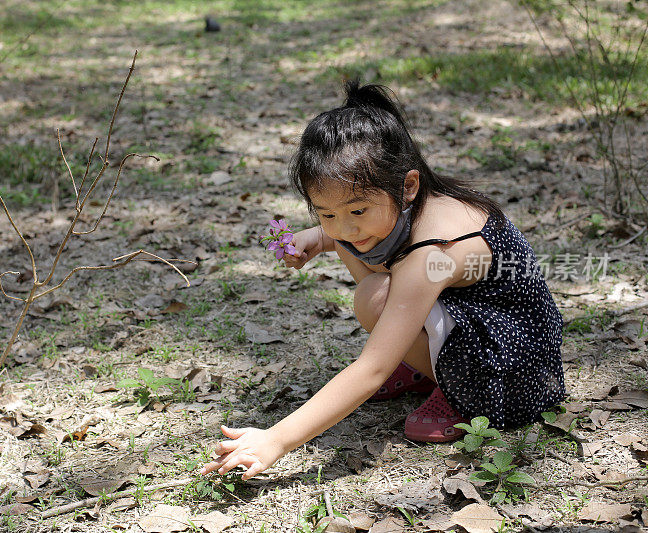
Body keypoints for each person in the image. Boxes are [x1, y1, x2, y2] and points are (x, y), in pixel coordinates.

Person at [200, 80, 565, 480]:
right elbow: (347, 229)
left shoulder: (433, 250)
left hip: (514, 372)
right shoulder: (410, 208)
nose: (344, 226)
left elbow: (371, 369)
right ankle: (428, 364)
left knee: (374, 297)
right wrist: (319, 238)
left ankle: (461, 393)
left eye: (357, 210)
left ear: (407, 186)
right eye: (325, 213)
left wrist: (277, 439)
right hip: (488, 326)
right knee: (356, 255)